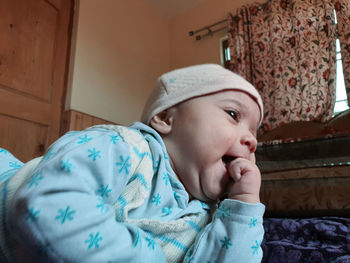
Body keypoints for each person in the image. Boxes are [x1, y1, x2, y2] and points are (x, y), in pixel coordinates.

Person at [0, 64, 265, 263]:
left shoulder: (209, 214)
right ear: (165, 117)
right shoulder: (125, 147)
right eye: (233, 114)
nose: (250, 140)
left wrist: (243, 206)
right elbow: (47, 205)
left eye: (255, 132)